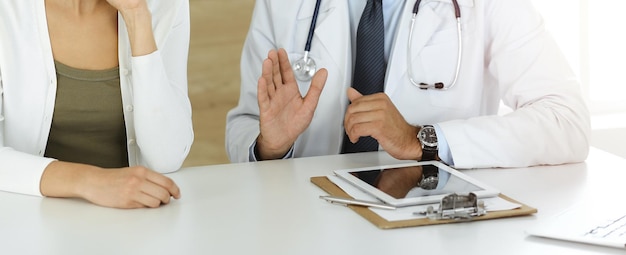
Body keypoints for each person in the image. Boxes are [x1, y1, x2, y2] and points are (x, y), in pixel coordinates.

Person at [226, 0, 590, 169]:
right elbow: (243, 126)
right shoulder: (282, 4)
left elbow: (567, 122)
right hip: (306, 223)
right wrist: (271, 146)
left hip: (432, 226)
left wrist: (423, 140)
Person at [0, 0, 193, 208]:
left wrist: (137, 15)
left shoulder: (165, 5)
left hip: (132, 220)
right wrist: (91, 181)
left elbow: (168, 157)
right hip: (25, 218)